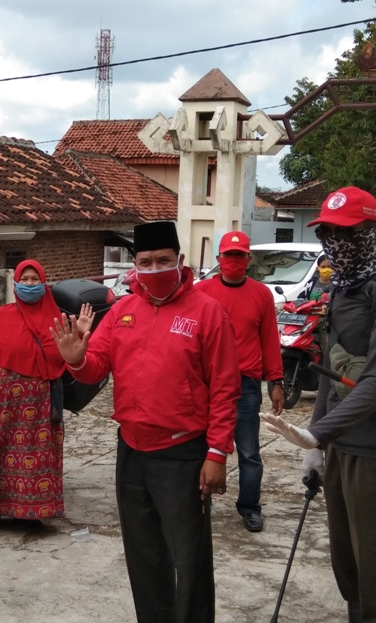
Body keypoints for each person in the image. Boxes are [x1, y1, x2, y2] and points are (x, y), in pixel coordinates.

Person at [50, 221, 240, 623]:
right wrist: (76, 359)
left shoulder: (207, 313)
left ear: (179, 260)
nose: (154, 269)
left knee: (188, 557)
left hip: (183, 452)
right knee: (143, 552)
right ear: (134, 264)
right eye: (146, 262)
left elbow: (225, 388)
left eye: (163, 260)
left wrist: (217, 453)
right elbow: (96, 366)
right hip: (132, 450)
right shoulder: (123, 311)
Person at [261, 186, 376, 622]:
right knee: (348, 570)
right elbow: (332, 377)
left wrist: (316, 433)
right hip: (342, 450)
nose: (335, 243)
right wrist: (317, 449)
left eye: (346, 233)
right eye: (327, 233)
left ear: (370, 235)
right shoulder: (341, 292)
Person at [0, 260, 91, 534]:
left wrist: (79, 334)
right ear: (16, 283)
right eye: (25, 279)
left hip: (39, 406)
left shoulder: (57, 321)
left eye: (35, 279)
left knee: (37, 455)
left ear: (44, 284)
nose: (30, 284)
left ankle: (30, 511)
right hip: (0, 405)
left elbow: (71, 357)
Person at [194, 231, 285, 533]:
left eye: (239, 255)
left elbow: (269, 340)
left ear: (248, 259)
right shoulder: (201, 292)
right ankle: (199, 502)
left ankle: (249, 507)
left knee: (248, 452)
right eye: (228, 255)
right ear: (218, 259)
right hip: (206, 382)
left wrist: (276, 381)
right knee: (200, 446)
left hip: (245, 385)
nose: (233, 261)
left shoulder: (261, 294)